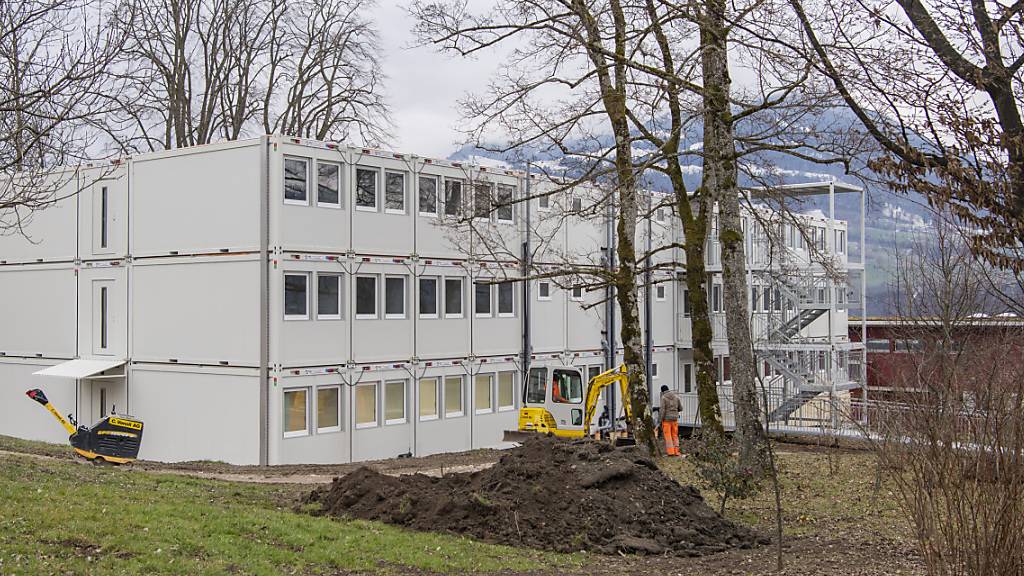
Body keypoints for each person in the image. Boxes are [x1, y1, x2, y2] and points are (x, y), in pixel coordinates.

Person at [659, 385, 682, 456]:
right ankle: (677, 452)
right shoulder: (676, 397)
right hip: (675, 419)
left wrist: (660, 419)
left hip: (666, 420)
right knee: (675, 435)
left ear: (662, 391)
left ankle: (670, 452)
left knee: (668, 436)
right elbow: (681, 408)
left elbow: (662, 410)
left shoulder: (663, 398)